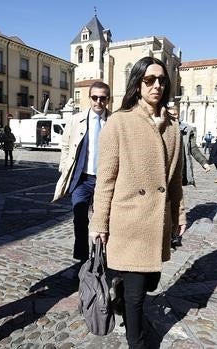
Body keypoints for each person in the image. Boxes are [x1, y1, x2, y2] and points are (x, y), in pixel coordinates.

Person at [88, 57, 186, 348]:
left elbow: (176, 180)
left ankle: (120, 293)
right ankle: (137, 341)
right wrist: (99, 223)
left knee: (151, 281)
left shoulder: (173, 128)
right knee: (137, 294)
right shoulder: (119, 122)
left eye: (162, 80)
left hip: (158, 221)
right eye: (149, 79)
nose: (157, 85)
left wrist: (179, 214)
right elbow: (105, 179)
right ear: (137, 83)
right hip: (129, 220)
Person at [52, 81, 111, 261]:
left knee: (104, 220)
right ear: (89, 98)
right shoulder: (75, 120)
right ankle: (83, 259)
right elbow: (65, 145)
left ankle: (102, 256)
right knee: (80, 218)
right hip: (81, 179)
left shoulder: (115, 121)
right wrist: (64, 166)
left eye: (102, 98)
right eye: (94, 97)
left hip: (105, 180)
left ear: (107, 99)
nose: (98, 102)